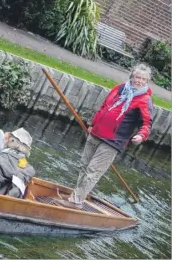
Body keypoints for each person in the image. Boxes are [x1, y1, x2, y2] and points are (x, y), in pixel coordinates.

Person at [54, 63, 154, 210]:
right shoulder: (119, 88)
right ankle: (77, 195)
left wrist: (141, 136)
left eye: (143, 79)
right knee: (84, 167)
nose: (139, 81)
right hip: (96, 133)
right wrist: (93, 124)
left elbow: (146, 123)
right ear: (132, 76)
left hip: (113, 141)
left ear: (146, 82)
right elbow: (104, 107)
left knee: (92, 171)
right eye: (137, 77)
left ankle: (76, 201)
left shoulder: (145, 100)